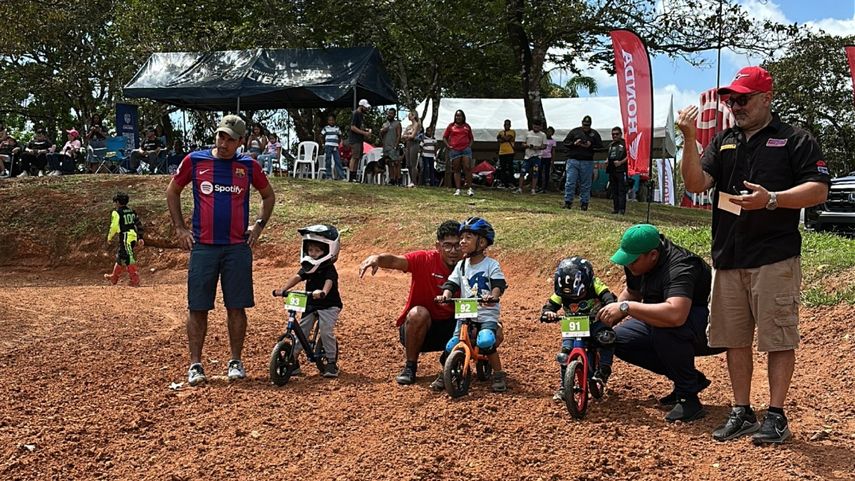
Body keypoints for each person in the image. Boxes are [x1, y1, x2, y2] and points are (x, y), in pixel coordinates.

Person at [677, 66, 830, 444]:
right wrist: (690, 139)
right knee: (735, 338)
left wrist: (772, 200)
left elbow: (818, 190)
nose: (735, 106)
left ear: (766, 99)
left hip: (774, 257)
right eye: (731, 100)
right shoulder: (725, 140)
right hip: (728, 256)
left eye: (743, 99)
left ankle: (776, 415)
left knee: (778, 338)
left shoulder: (795, 139)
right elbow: (697, 183)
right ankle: (741, 410)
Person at [166, 114, 275, 386]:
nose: (223, 143)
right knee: (197, 307)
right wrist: (180, 228)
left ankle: (235, 360)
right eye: (220, 136)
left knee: (236, 307)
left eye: (230, 139)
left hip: (237, 248)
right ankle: (195, 364)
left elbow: (268, 195)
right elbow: (173, 191)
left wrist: (259, 226)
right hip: (203, 247)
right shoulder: (195, 161)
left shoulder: (248, 166)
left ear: (241, 141)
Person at [597, 224, 725, 422]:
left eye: (633, 261)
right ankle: (689, 378)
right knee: (614, 339)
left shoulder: (681, 266)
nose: (629, 265)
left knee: (666, 329)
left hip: (714, 328)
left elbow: (675, 315)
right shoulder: (637, 261)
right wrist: (607, 318)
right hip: (670, 322)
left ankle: (688, 398)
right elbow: (633, 292)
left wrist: (625, 308)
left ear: (653, 255)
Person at [359, 221, 468, 387]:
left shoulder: (472, 265)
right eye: (447, 246)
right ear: (437, 246)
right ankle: (410, 367)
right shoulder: (424, 259)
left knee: (494, 330)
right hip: (422, 330)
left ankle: (457, 362)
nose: (453, 251)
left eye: (457, 246)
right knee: (417, 313)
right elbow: (396, 261)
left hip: (456, 327)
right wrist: (377, 259)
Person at [436, 217, 508, 392]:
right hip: (466, 313)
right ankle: (444, 373)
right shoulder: (461, 265)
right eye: (462, 238)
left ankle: (498, 373)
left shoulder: (491, 264)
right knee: (452, 344)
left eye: (468, 238)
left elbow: (499, 284)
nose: (462, 241)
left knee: (486, 340)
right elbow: (451, 284)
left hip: (486, 313)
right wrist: (446, 295)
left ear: (482, 242)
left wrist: (493, 295)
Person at [540, 256, 617, 401]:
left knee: (607, 338)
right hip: (573, 325)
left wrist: (610, 305)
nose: (574, 299)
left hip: (594, 322)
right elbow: (551, 304)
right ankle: (564, 387)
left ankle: (604, 369)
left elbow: (607, 295)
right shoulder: (561, 292)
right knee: (565, 355)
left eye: (579, 295)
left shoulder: (595, 284)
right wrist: (548, 312)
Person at [273, 225, 343, 378]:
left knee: (325, 330)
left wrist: (323, 292)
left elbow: (329, 282)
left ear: (328, 251)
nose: (313, 254)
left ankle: (331, 362)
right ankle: (293, 360)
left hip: (328, 304)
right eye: (311, 250)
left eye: (318, 251)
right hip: (310, 302)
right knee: (302, 329)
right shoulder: (307, 266)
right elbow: (297, 277)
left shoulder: (328, 268)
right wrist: (283, 289)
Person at [103, 191, 145, 287]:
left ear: (117, 202)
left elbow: (113, 226)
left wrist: (109, 237)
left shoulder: (117, 212)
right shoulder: (132, 211)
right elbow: (138, 224)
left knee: (129, 257)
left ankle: (135, 279)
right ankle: (114, 277)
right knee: (121, 256)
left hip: (125, 236)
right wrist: (141, 237)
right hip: (133, 235)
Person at [563, 115, 603, 210]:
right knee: (570, 182)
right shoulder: (575, 131)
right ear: (582, 123)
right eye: (584, 125)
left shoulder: (594, 134)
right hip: (573, 160)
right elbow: (565, 143)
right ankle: (568, 201)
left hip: (587, 161)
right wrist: (574, 143)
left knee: (585, 184)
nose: (586, 127)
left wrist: (590, 145)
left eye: (587, 125)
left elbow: (600, 147)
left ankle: (584, 203)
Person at [443, 109, 475, 196]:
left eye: (460, 115)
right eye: (457, 115)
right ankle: (458, 189)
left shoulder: (467, 126)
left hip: (465, 149)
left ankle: (469, 188)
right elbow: (444, 137)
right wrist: (448, 146)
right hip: (455, 150)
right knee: (456, 169)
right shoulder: (451, 126)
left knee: (467, 167)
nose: (458, 117)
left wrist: (469, 146)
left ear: (463, 117)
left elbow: (471, 138)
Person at [515, 119, 546, 195]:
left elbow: (544, 146)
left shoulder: (543, 135)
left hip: (537, 157)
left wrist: (537, 147)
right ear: (532, 126)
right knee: (523, 172)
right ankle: (520, 188)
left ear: (540, 127)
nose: (536, 127)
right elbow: (523, 144)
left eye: (538, 126)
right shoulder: (527, 133)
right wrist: (528, 146)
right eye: (535, 126)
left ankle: (533, 189)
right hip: (527, 157)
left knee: (535, 173)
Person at [348, 99, 373, 182]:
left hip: (359, 139)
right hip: (354, 139)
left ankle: (354, 176)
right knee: (354, 157)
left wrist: (366, 130)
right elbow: (353, 127)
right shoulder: (356, 114)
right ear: (361, 106)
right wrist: (364, 133)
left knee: (358, 157)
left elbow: (359, 127)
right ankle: (351, 177)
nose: (366, 109)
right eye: (365, 108)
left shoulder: (361, 115)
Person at [606, 126, 628, 215]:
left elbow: (629, 156)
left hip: (621, 170)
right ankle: (616, 208)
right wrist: (607, 160)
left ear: (620, 134)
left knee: (621, 190)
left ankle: (621, 209)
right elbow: (610, 155)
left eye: (616, 134)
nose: (615, 136)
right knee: (614, 190)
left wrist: (621, 162)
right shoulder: (611, 145)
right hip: (612, 170)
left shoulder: (625, 143)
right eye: (613, 134)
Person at [380, 108, 403, 185]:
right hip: (386, 147)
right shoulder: (385, 124)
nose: (389, 115)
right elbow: (381, 136)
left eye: (391, 113)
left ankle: (398, 179)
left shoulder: (397, 124)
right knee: (389, 163)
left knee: (396, 163)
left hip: (393, 147)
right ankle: (391, 179)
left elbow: (399, 135)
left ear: (394, 115)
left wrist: (395, 146)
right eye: (389, 113)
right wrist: (382, 131)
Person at [320, 115, 345, 180]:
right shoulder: (326, 128)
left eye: (332, 120)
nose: (331, 121)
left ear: (335, 121)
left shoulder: (337, 128)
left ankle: (341, 176)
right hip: (328, 145)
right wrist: (323, 143)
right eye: (330, 120)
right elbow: (321, 136)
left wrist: (339, 143)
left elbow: (340, 136)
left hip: (335, 146)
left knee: (338, 161)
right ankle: (329, 176)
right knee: (328, 161)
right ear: (328, 121)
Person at [401, 111, 421, 187]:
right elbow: (402, 136)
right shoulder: (409, 126)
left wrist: (407, 136)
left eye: (410, 115)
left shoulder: (417, 125)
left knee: (413, 164)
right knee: (408, 164)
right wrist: (407, 136)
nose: (409, 116)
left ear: (414, 116)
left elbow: (413, 136)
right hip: (408, 145)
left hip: (414, 145)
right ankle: (411, 180)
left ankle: (414, 182)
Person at [496, 119, 516, 188]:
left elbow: (508, 138)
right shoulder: (501, 132)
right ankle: (503, 183)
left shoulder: (512, 132)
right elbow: (499, 140)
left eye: (508, 124)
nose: (506, 126)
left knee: (510, 168)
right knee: (503, 168)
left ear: (510, 125)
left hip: (510, 152)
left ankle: (511, 183)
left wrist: (502, 137)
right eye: (505, 124)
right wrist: (503, 138)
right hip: (502, 152)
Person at [538, 126, 556, 192]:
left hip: (548, 157)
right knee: (539, 171)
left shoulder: (553, 141)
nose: (548, 133)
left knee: (546, 172)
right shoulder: (543, 139)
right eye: (547, 131)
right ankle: (539, 186)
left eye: (550, 132)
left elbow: (553, 151)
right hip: (541, 156)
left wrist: (552, 160)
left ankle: (545, 187)